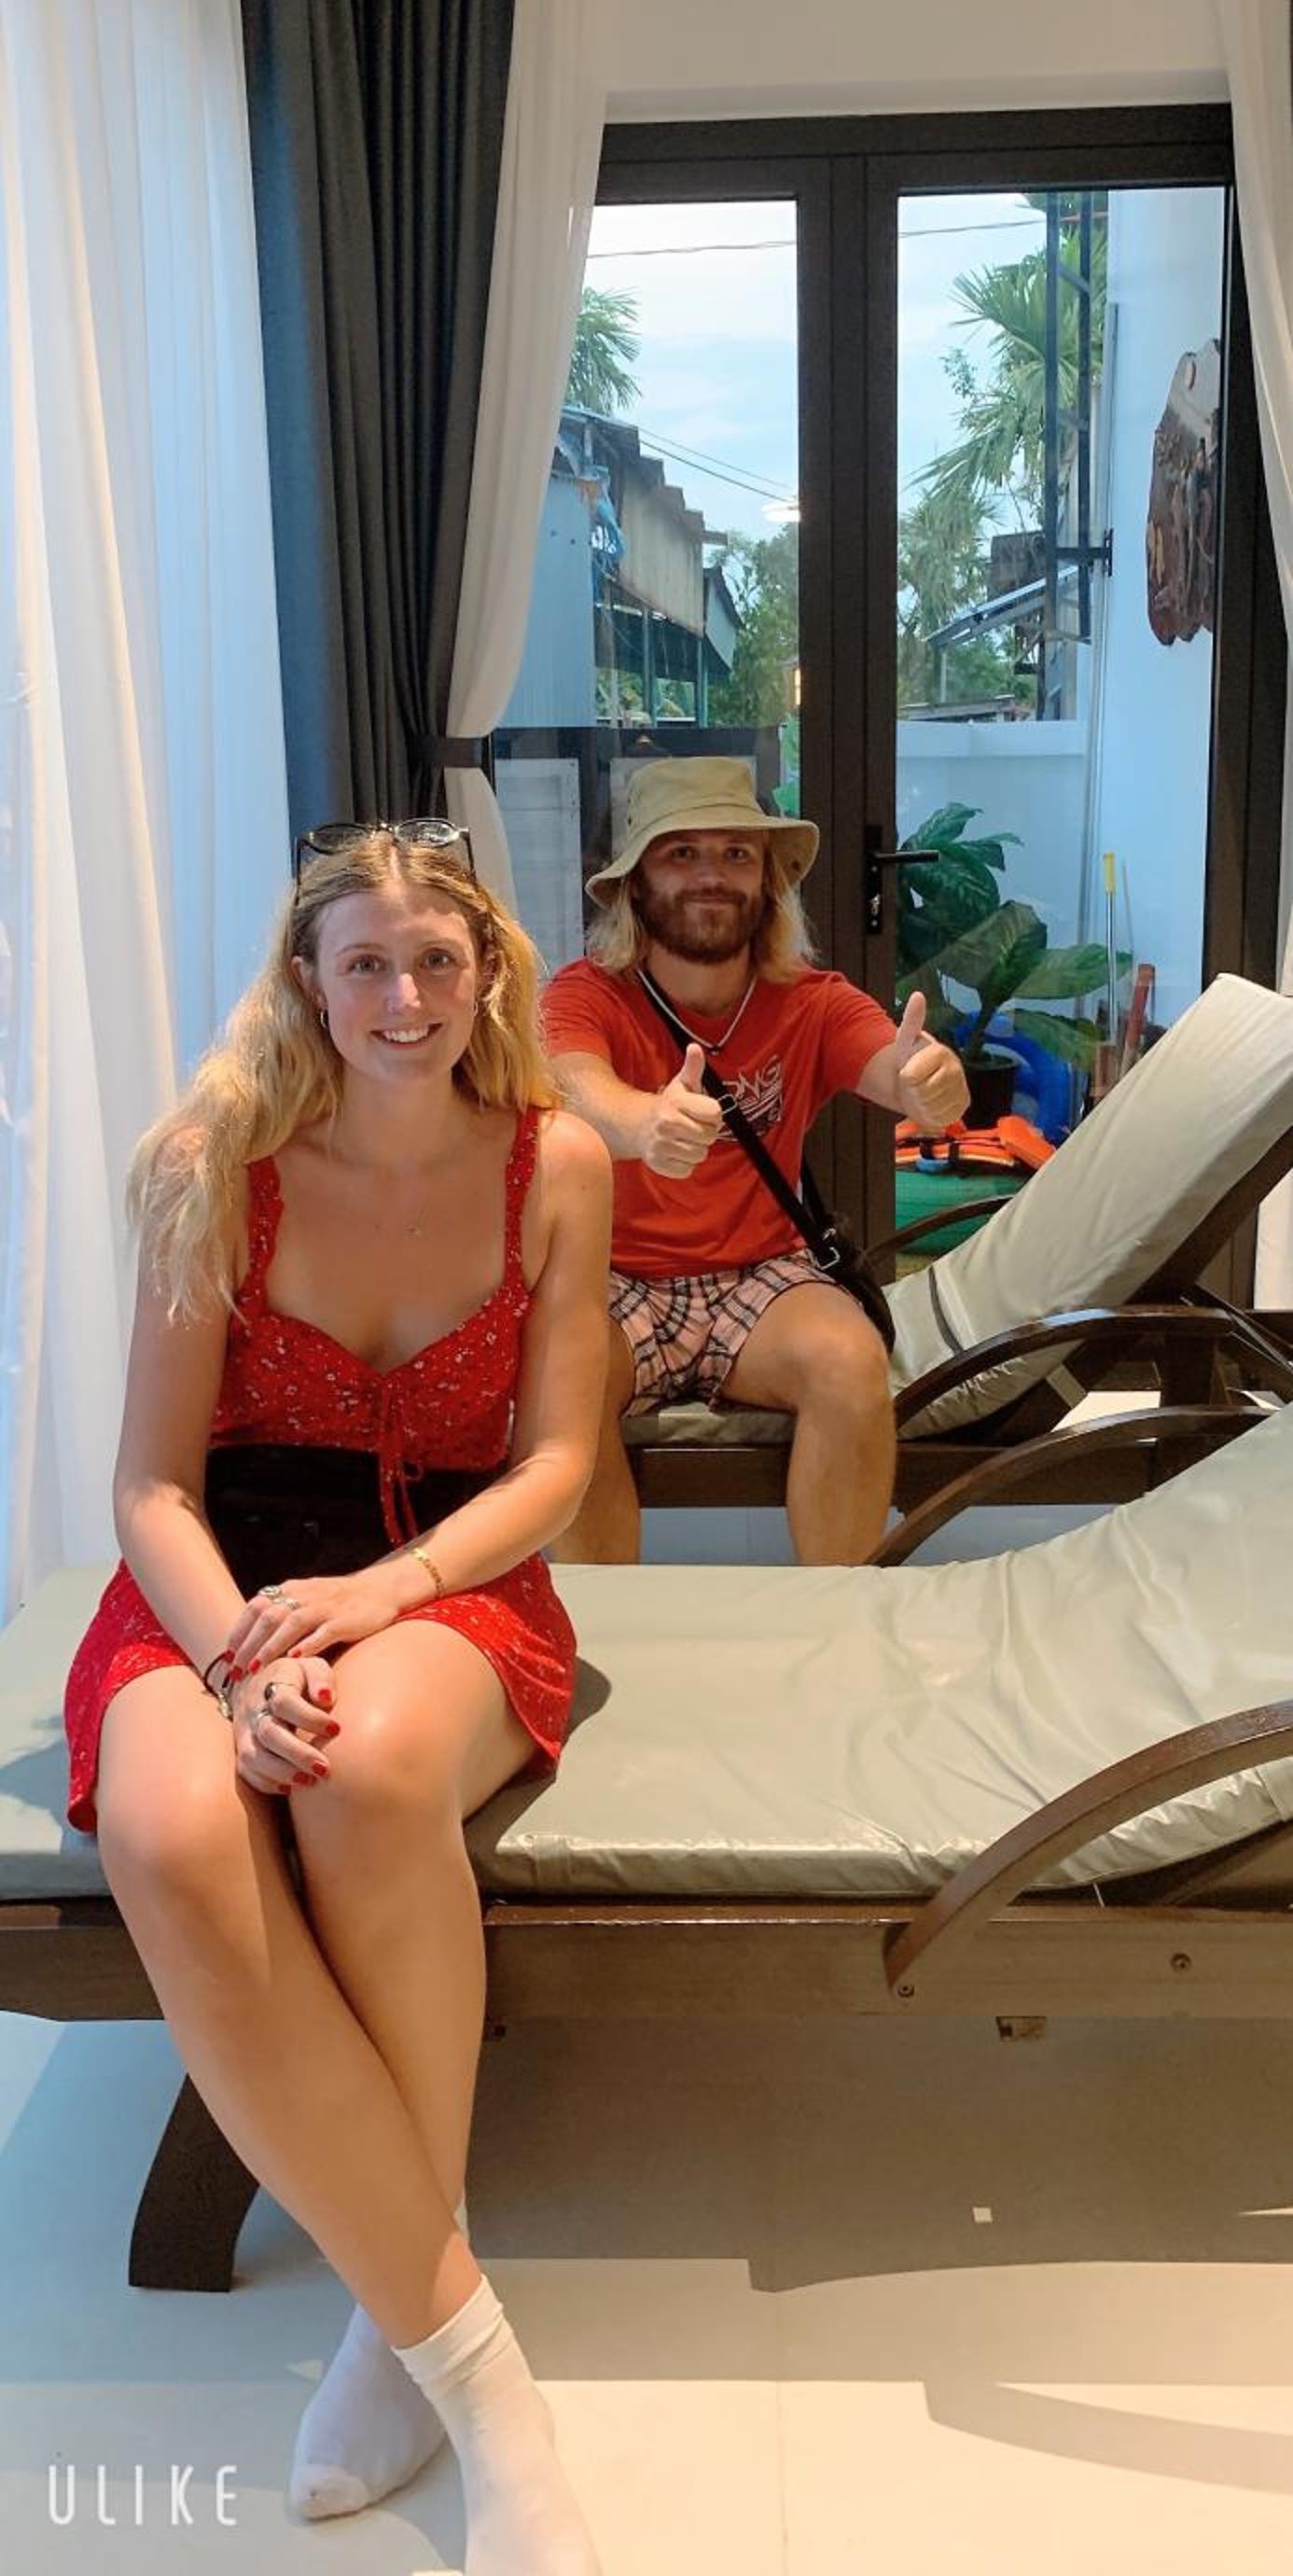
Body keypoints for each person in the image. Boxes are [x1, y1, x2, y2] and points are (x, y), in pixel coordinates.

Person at [61, 821, 611, 2575]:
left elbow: (557, 1463)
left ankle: (406, 2334)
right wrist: (241, 1654)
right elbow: (149, 1485)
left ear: (488, 972)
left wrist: (380, 1599)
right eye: (365, 962)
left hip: (440, 1572)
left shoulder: (557, 1162)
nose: (404, 996)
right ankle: (470, 2349)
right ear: (306, 980)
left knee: (363, 1776)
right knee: (170, 1828)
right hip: (218, 1580)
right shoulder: (210, 1161)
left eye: (437, 960)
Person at [541, 758, 968, 1566]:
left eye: (736, 854)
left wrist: (926, 1080)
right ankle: (604, 1625)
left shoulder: (813, 999)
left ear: (767, 883)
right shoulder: (585, 993)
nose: (712, 875)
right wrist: (645, 1122)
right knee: (561, 1381)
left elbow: (892, 1062)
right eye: (681, 853)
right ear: (634, 884)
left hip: (763, 1274)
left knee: (849, 1362)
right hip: (615, 1276)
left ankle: (838, 1614)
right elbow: (572, 1085)